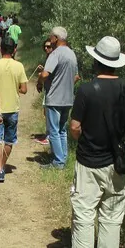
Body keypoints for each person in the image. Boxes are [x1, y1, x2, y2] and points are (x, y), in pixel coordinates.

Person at [69, 36, 125, 248]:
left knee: (84, 217)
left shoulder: (86, 90)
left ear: (96, 61)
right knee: (111, 219)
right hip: (116, 163)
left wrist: (81, 138)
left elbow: (74, 127)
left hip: (88, 164)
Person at [36, 26, 78, 169]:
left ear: (55, 38)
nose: (50, 39)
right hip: (68, 98)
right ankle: (62, 158)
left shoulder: (55, 54)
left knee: (53, 130)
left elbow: (46, 73)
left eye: (51, 37)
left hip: (54, 97)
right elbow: (76, 76)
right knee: (62, 130)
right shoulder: (72, 54)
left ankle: (58, 162)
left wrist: (40, 81)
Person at [0, 37, 28, 182]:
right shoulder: (19, 66)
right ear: (14, 50)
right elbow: (24, 89)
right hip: (12, 109)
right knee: (9, 141)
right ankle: (2, 166)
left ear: (0, 49)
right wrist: (15, 87)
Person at [33, 39, 54, 146]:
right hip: (48, 89)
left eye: (49, 46)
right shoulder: (49, 58)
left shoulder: (54, 57)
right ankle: (47, 134)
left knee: (49, 113)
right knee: (46, 112)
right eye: (45, 46)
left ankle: (49, 136)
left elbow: (49, 75)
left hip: (52, 90)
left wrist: (41, 76)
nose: (46, 48)